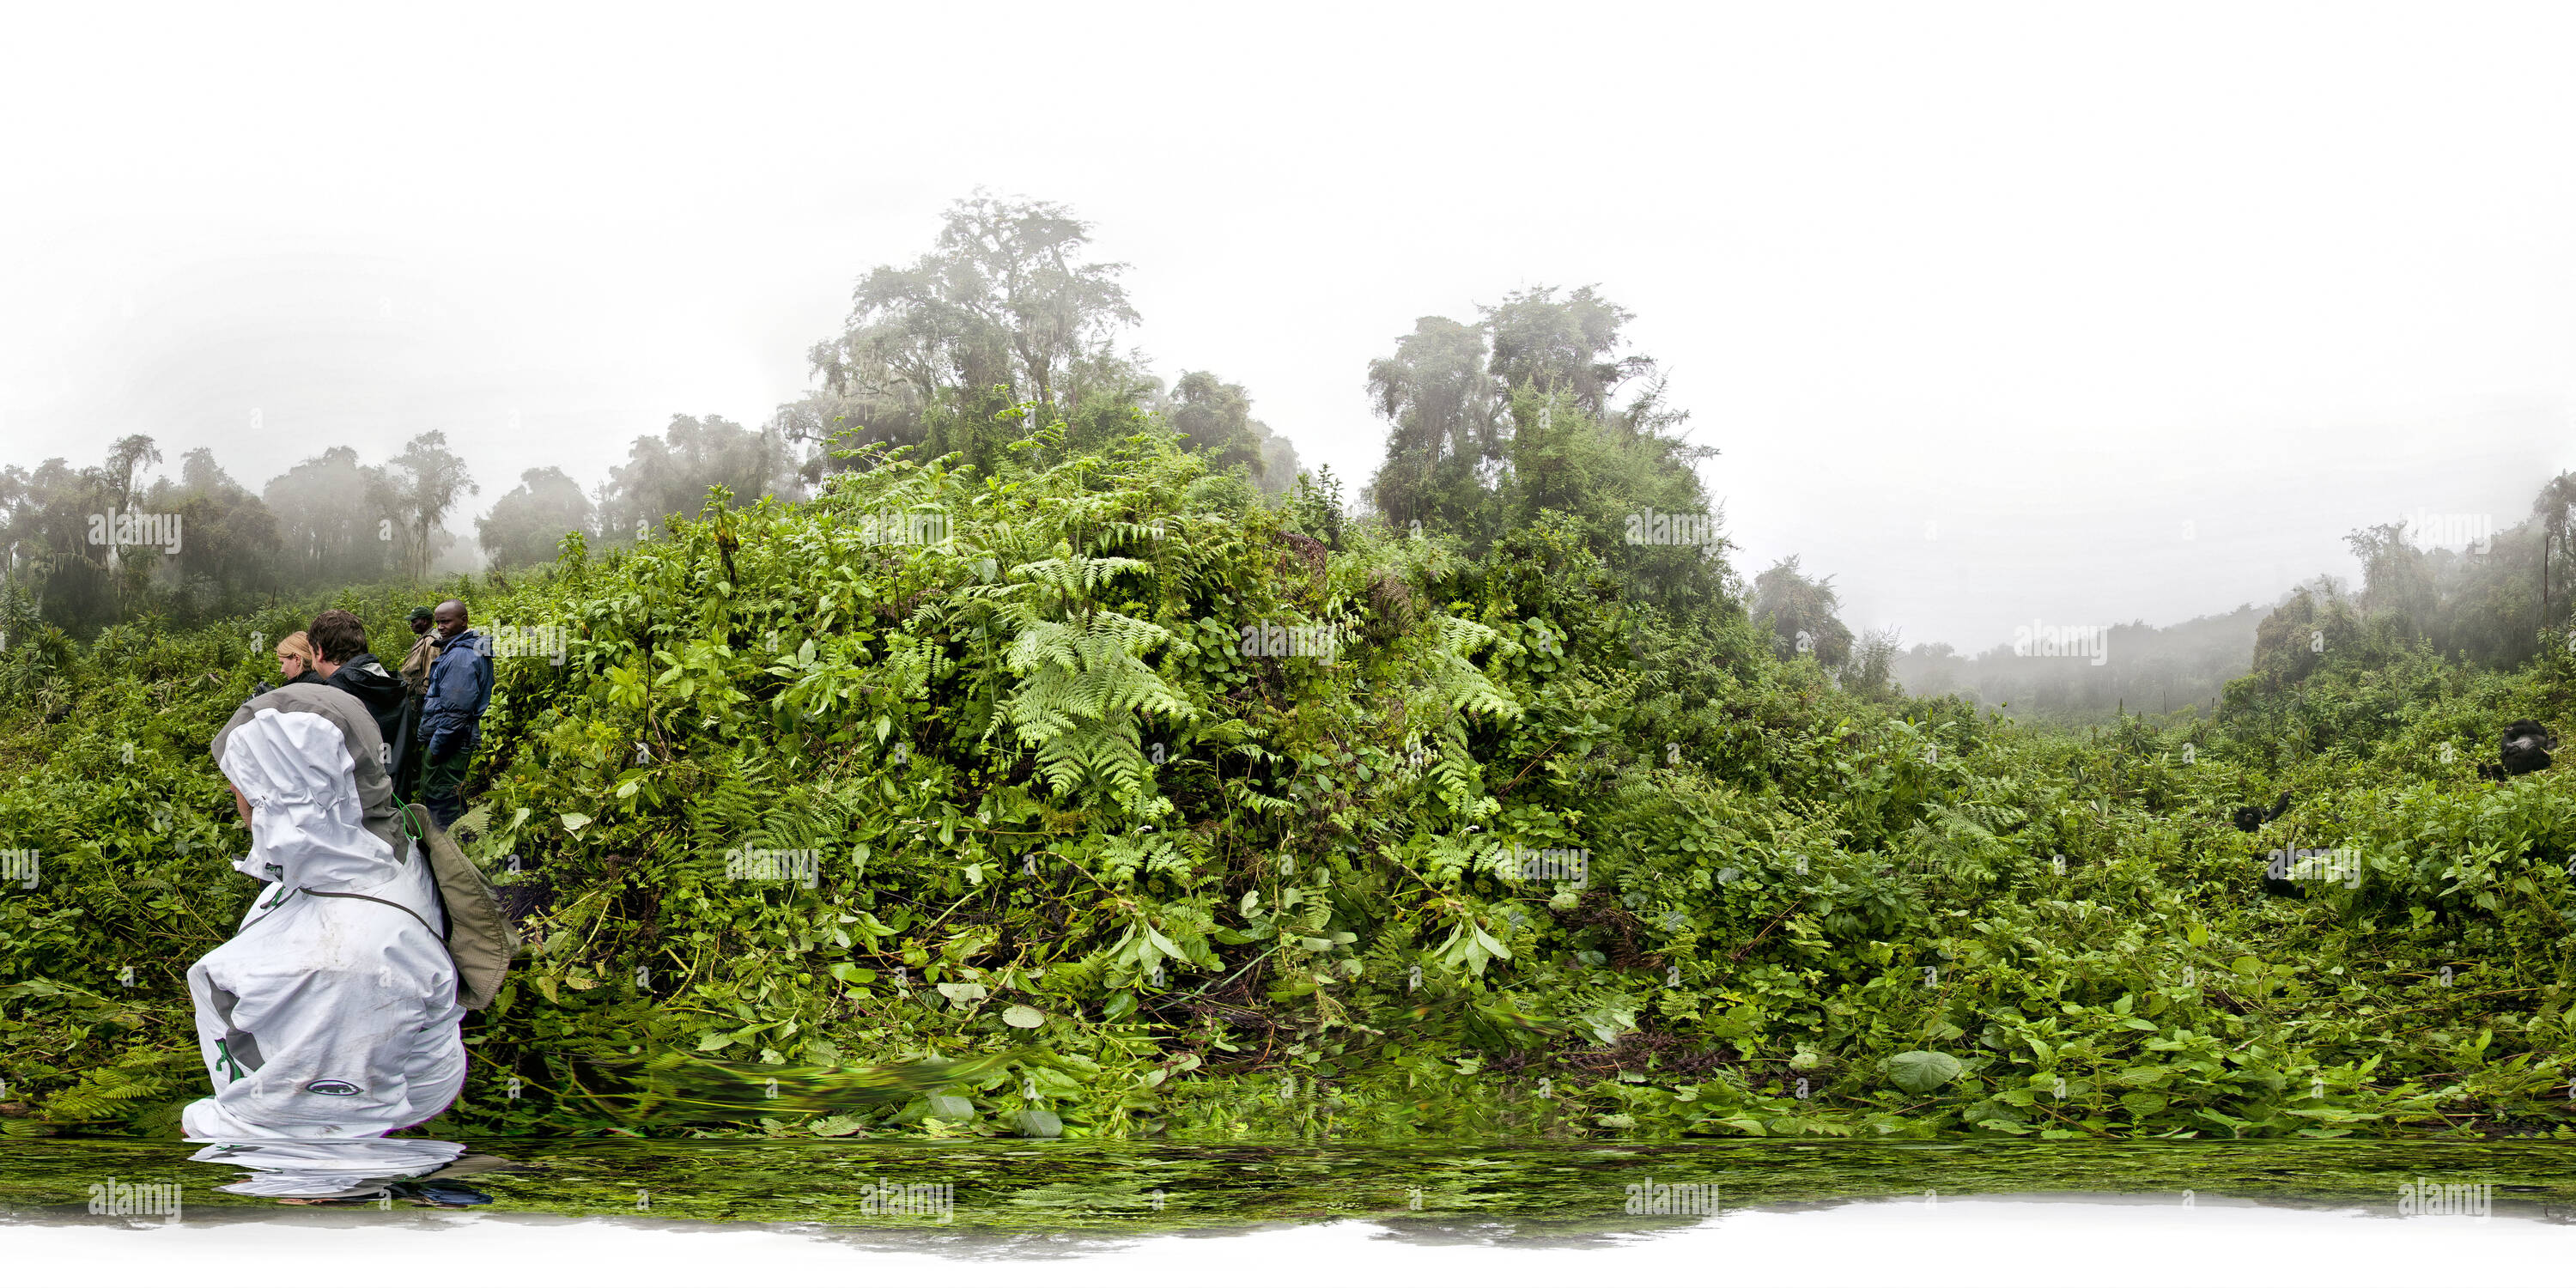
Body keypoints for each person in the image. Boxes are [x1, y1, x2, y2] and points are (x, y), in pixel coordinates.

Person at [184, 680, 465, 1139]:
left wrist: (200, 1126)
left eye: (243, 782)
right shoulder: (369, 848)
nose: (235, 797)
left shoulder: (342, 964)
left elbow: (316, 1132)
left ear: (280, 792)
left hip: (358, 1131)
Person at [417, 599, 493, 829]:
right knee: (449, 795)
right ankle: (460, 843)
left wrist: (436, 749)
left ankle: (456, 849)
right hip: (450, 738)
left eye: (446, 621)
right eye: (438, 622)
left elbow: (456, 714)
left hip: (450, 741)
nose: (440, 627)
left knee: (443, 800)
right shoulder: (461, 649)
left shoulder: (461, 657)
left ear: (464, 621)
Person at [307, 610, 407, 771]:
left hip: (360, 795)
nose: (312, 665)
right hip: (396, 792)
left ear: (319, 651)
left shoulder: (333, 698)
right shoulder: (390, 681)